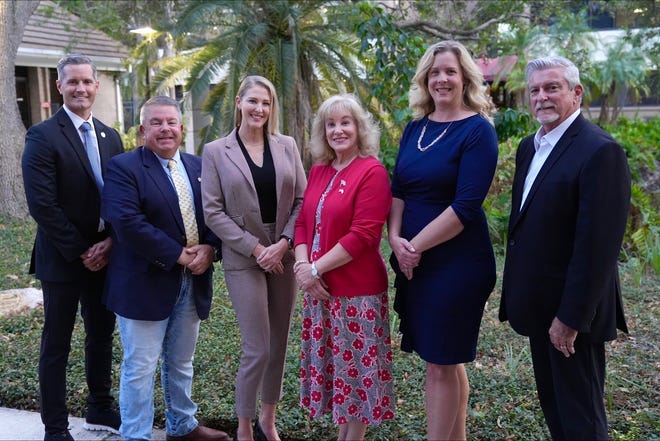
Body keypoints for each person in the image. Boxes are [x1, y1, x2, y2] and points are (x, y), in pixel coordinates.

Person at [499, 56, 631, 440]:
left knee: (582, 421)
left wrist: (570, 318)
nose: (542, 97)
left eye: (552, 87)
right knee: (556, 411)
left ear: (576, 93)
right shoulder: (530, 146)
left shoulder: (600, 150)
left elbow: (597, 249)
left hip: (573, 318)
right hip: (539, 308)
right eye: (535, 90)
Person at [387, 40, 498, 440]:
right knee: (446, 361)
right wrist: (396, 239)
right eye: (435, 72)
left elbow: (466, 206)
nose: (442, 79)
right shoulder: (415, 128)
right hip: (414, 259)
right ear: (425, 79)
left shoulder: (477, 131)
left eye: (450, 71)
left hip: (458, 263)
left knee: (439, 361)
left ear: (465, 77)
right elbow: (398, 190)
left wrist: (413, 247)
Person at [101, 96, 229, 441]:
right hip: (144, 284)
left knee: (181, 362)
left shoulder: (199, 167)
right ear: (142, 130)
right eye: (156, 123)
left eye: (171, 122)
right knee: (140, 368)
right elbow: (126, 222)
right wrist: (179, 254)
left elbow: (218, 216)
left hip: (193, 281)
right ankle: (136, 435)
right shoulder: (123, 167)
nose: (165, 129)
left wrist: (211, 247)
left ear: (181, 128)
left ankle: (182, 426)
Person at [22, 54, 123, 441]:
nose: (81, 88)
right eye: (73, 82)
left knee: (101, 335)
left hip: (106, 256)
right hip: (64, 258)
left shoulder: (110, 136)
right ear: (59, 87)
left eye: (87, 82)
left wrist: (110, 244)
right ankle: (56, 426)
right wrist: (83, 250)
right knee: (57, 344)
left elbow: (121, 198)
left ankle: (100, 406)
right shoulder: (42, 136)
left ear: (96, 86)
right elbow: (42, 204)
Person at [201, 75, 306, 441]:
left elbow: (301, 201)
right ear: (239, 103)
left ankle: (267, 420)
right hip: (245, 256)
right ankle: (244, 425)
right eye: (253, 101)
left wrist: (284, 243)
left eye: (266, 103)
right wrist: (258, 248)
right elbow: (213, 212)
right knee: (257, 347)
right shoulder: (216, 151)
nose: (259, 109)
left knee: (278, 343)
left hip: (284, 255)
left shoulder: (287, 145)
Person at [294, 94, 395, 441]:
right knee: (339, 376)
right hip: (319, 291)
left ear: (359, 127)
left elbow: (363, 236)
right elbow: (303, 224)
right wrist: (302, 267)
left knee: (356, 377)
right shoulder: (319, 170)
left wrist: (314, 271)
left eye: (345, 122)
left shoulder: (372, 172)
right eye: (331, 124)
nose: (338, 130)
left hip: (357, 292)